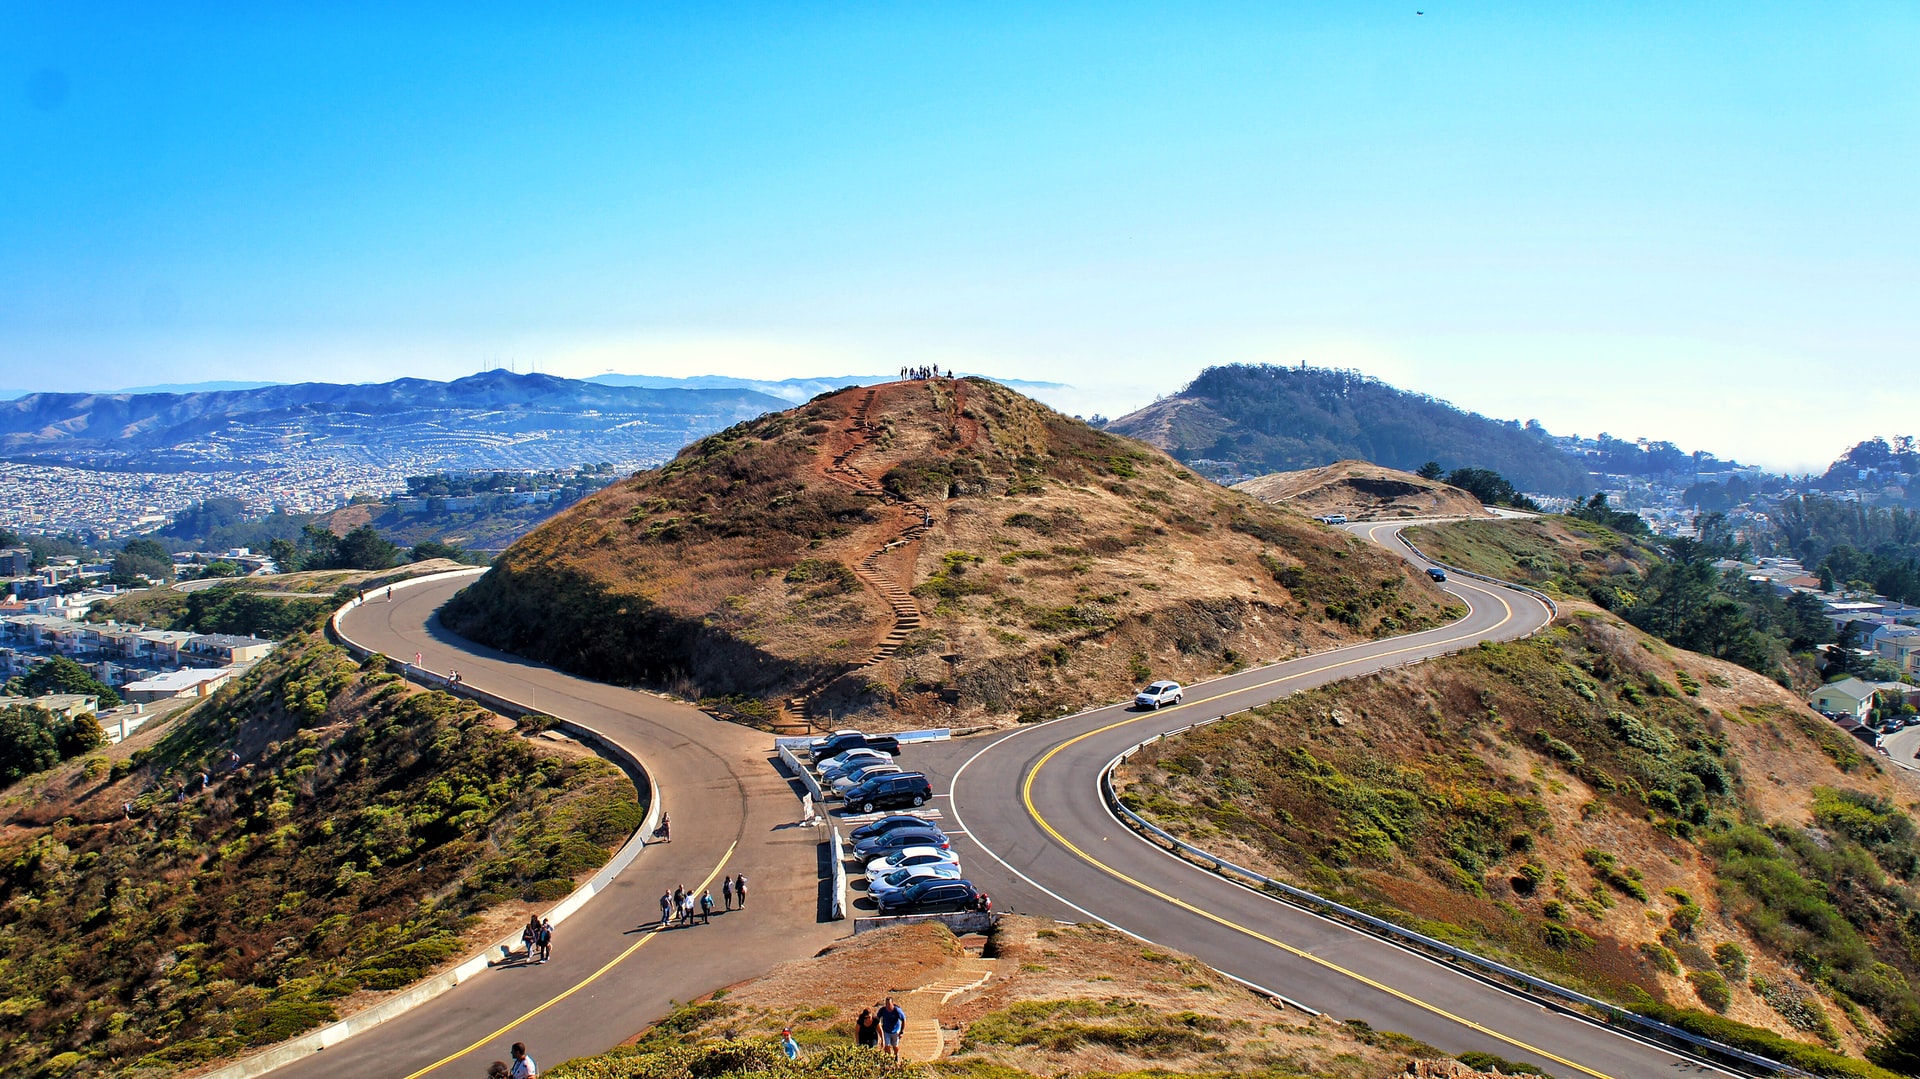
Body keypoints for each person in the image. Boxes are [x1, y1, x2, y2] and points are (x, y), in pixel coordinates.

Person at [876, 996, 906, 1061]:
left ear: (892, 1003)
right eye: (886, 1004)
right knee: (887, 1046)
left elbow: (903, 1020)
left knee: (895, 1046)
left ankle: (896, 1055)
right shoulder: (882, 1010)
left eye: (889, 1004)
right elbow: (877, 1018)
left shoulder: (897, 1010)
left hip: (895, 1031)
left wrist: (901, 1032)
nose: (887, 1006)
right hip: (886, 1030)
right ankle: (889, 1059)